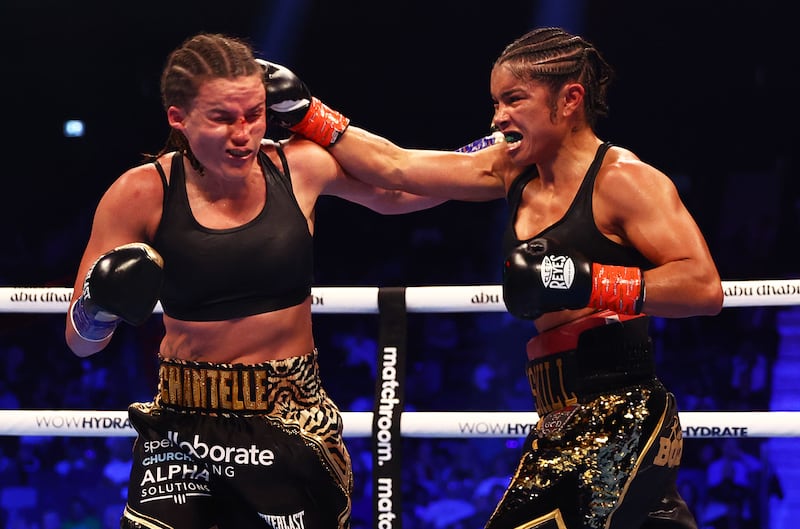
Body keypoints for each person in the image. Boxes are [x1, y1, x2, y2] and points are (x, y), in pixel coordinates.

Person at [264, 26, 723, 529]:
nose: (497, 117)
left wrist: (589, 281)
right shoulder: (509, 169)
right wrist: (309, 112)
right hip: (558, 418)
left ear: (569, 100)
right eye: (496, 102)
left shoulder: (626, 180)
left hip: (625, 414)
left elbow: (703, 287)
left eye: (513, 100)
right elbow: (397, 168)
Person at [64, 32, 445, 529]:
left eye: (255, 114)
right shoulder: (140, 193)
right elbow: (80, 342)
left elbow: (403, 185)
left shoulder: (299, 165)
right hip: (182, 427)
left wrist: (502, 155)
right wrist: (100, 306)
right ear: (178, 118)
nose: (243, 133)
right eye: (223, 118)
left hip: (290, 417)